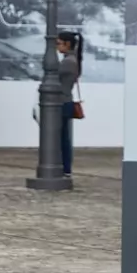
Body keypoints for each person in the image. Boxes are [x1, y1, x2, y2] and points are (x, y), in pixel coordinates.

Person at [55, 31, 82, 176]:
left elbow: (52, 74)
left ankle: (65, 167)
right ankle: (64, 167)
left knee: (62, 138)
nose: (57, 47)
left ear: (68, 44)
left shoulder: (68, 62)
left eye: (59, 43)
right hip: (65, 101)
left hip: (62, 102)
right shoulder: (71, 60)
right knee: (63, 136)